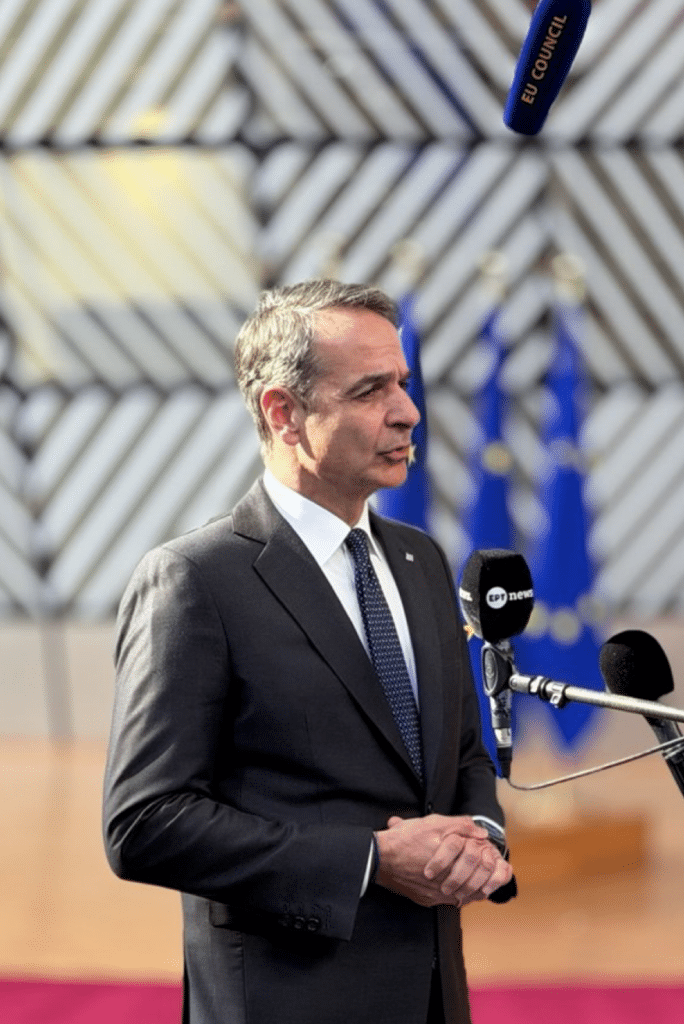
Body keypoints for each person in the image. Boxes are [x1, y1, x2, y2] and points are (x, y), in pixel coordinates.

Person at [103, 279, 516, 1024]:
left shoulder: (423, 561)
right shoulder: (194, 581)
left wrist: (479, 835)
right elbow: (145, 823)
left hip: (431, 996)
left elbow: (461, 755)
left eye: (403, 383)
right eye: (370, 390)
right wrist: (371, 861)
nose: (408, 411)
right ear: (283, 413)